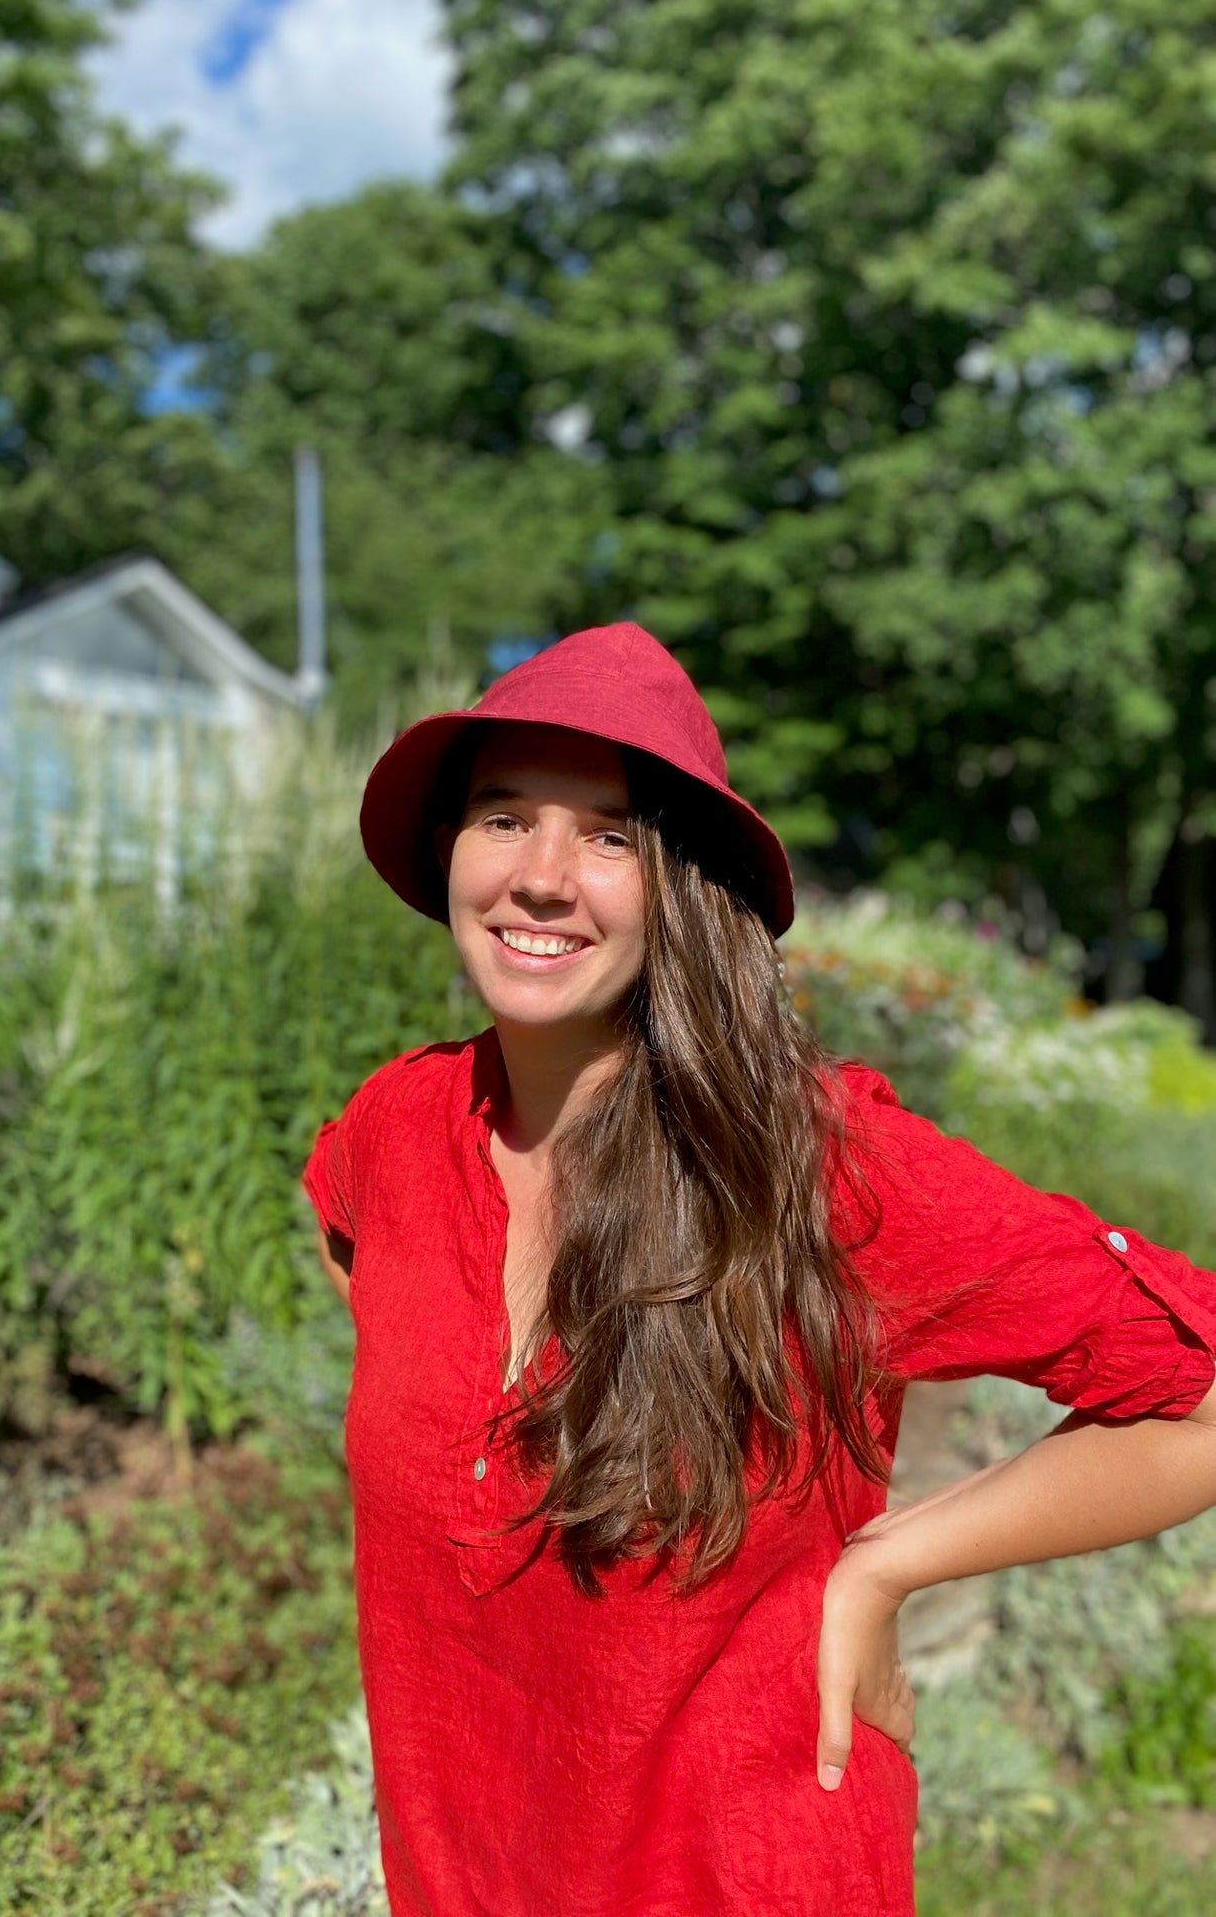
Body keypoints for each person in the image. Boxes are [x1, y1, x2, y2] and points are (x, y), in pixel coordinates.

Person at [300, 620, 1216, 1917]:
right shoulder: (394, 1134)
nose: (544, 876)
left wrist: (889, 1562)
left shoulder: (817, 1172)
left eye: (609, 836)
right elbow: (376, 1293)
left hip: (741, 1874)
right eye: (503, 816)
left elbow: (1197, 1393)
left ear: (681, 887)